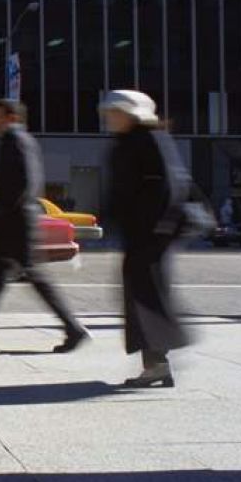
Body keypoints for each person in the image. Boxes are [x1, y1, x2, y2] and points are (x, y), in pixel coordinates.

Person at [0, 99, 90, 352]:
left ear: (11, 117)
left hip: (14, 225)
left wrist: (1, 219)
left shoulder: (16, 140)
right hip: (13, 223)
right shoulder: (16, 140)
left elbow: (20, 184)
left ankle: (73, 329)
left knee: (34, 277)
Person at [100, 90, 190, 388]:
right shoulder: (132, 140)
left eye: (115, 111)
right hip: (141, 235)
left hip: (148, 236)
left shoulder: (148, 139)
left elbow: (165, 188)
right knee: (143, 298)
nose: (109, 117)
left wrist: (151, 228)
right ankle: (156, 365)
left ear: (131, 113)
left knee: (146, 299)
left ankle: (157, 365)